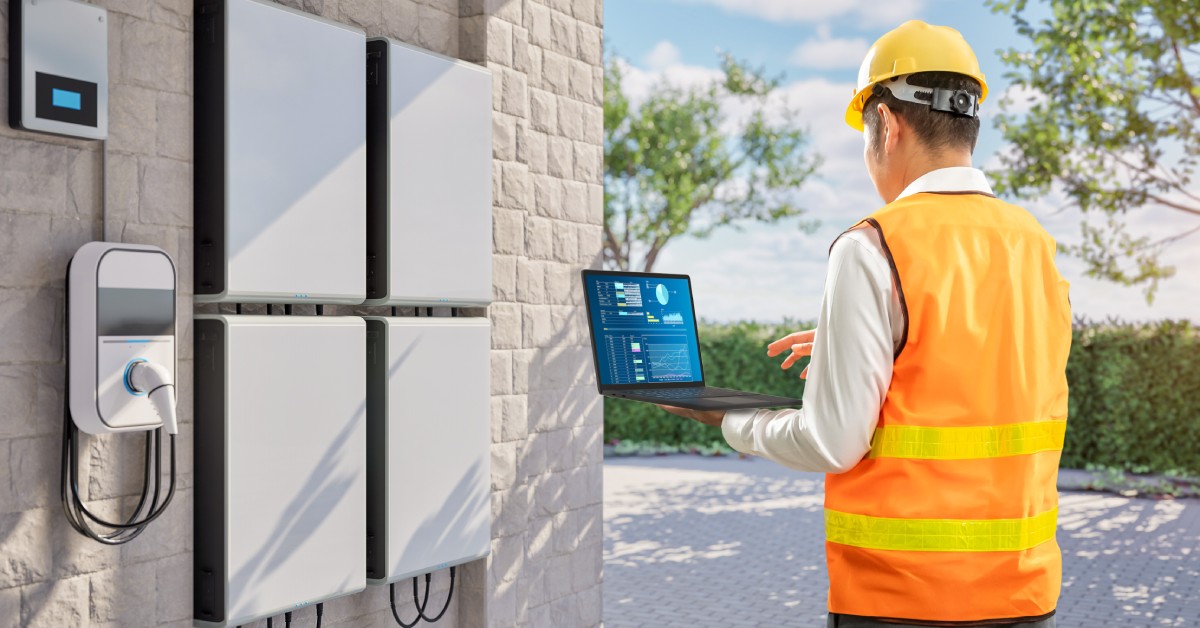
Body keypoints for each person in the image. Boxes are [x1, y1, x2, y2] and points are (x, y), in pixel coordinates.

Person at [657, 20, 1070, 628]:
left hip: (900, 598)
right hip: (1023, 595)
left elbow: (832, 441)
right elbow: (989, 368)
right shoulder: (1034, 243)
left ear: (887, 124)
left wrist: (731, 421)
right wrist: (877, 345)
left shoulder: (874, 245)